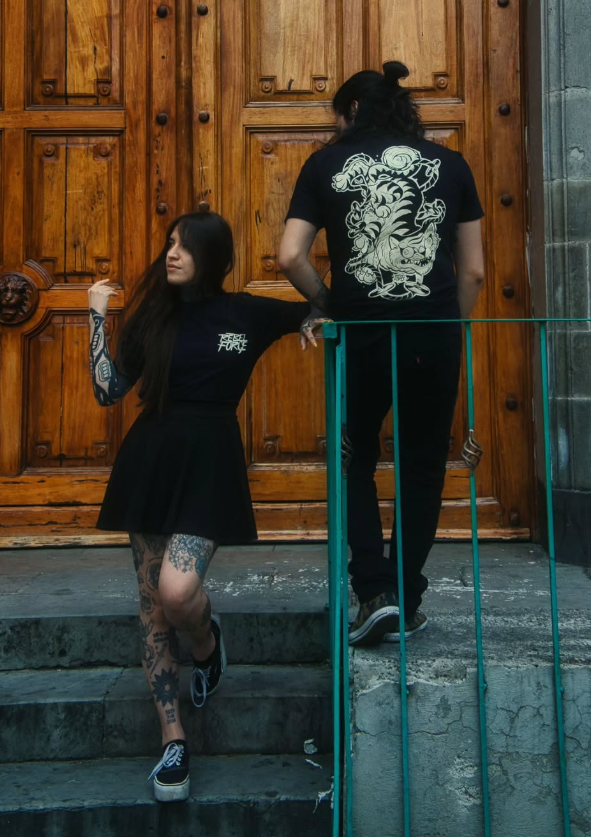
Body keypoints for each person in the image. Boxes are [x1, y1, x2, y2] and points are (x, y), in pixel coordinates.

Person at [88, 211, 326, 801]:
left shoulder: (245, 313)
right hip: (151, 462)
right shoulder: (151, 317)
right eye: (170, 243)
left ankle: (206, 644)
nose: (172, 254)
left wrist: (315, 319)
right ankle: (173, 741)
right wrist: (95, 317)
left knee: (177, 593)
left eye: (186, 247)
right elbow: (108, 392)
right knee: (154, 606)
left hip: (210, 463)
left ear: (213, 257)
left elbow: (320, 304)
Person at [279, 61, 485, 647]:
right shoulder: (451, 164)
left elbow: (290, 255)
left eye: (336, 117)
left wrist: (329, 303)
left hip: (362, 335)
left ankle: (373, 593)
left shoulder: (323, 165)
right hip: (433, 335)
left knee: (354, 458)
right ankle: (407, 599)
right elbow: (472, 271)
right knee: (421, 465)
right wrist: (445, 326)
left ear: (351, 111)